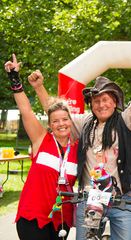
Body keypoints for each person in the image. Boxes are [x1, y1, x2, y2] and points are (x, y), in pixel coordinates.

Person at [30, 47, 131, 240]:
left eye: (105, 99)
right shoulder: (84, 122)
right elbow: (57, 114)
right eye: (96, 101)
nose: (101, 105)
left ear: (114, 102)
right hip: (89, 199)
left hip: (122, 198)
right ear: (91, 105)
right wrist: (39, 87)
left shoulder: (127, 120)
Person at [4, 54, 78, 240]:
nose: (61, 124)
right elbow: (26, 110)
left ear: (71, 121)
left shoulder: (77, 149)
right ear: (50, 124)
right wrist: (14, 78)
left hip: (61, 218)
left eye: (65, 119)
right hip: (33, 216)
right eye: (55, 121)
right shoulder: (41, 140)